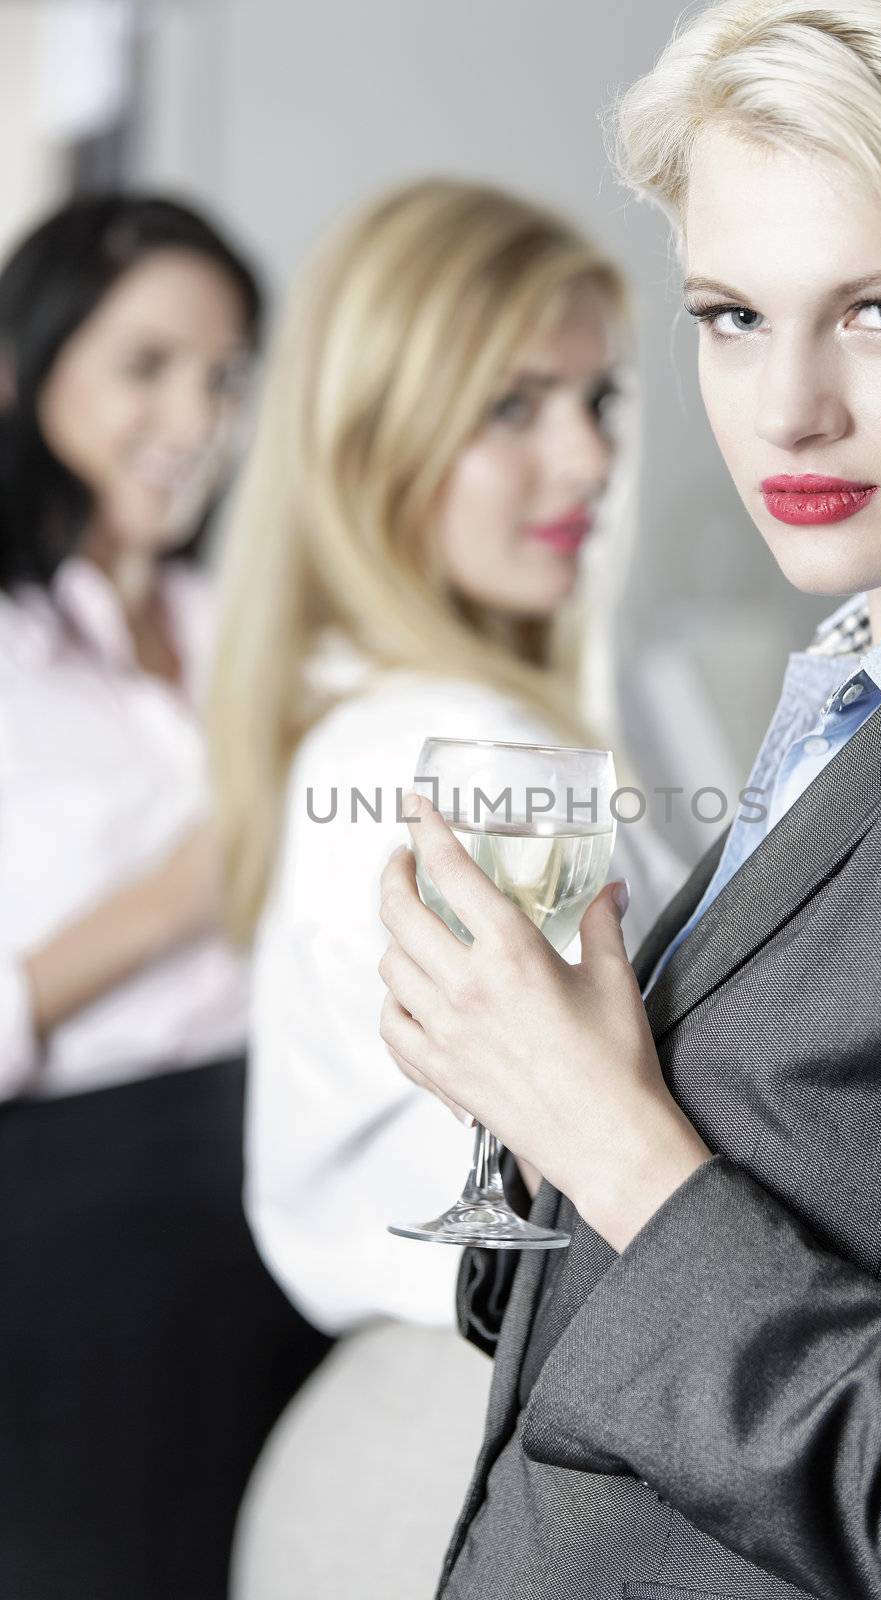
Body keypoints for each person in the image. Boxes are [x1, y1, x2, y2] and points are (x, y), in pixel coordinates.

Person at [376, 3, 881, 1596]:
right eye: (730, 315)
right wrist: (544, 1121)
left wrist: (607, 1138)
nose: (784, 412)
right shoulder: (867, 687)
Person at [208, 177, 684, 1596]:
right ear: (377, 433)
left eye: (597, 402)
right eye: (513, 408)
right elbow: (615, 1154)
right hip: (485, 1452)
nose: (587, 462)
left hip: (398, 1443)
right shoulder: (477, 756)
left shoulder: (364, 717)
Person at [0, 194, 329, 1600]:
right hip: (73, 1214)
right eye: (147, 365)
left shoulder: (239, 634)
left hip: (273, 1180)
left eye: (223, 373)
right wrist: (184, 894)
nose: (195, 414)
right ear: (26, 366)